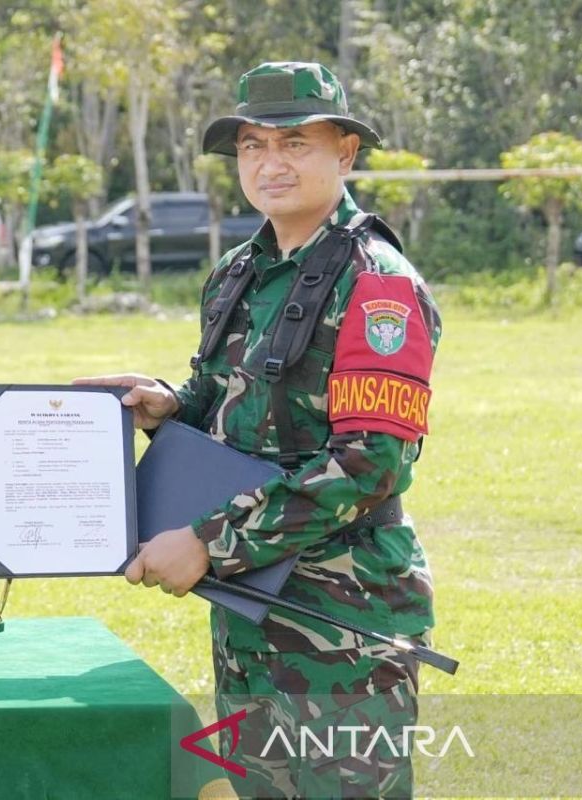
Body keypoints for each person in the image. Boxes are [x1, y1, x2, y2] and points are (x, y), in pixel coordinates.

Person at [77, 62, 441, 798]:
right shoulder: (239, 272)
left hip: (342, 619)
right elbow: (227, 395)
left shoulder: (379, 284)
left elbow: (372, 465)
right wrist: (170, 405)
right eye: (252, 145)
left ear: (345, 152)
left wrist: (207, 543)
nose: (270, 163)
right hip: (250, 608)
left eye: (295, 143)